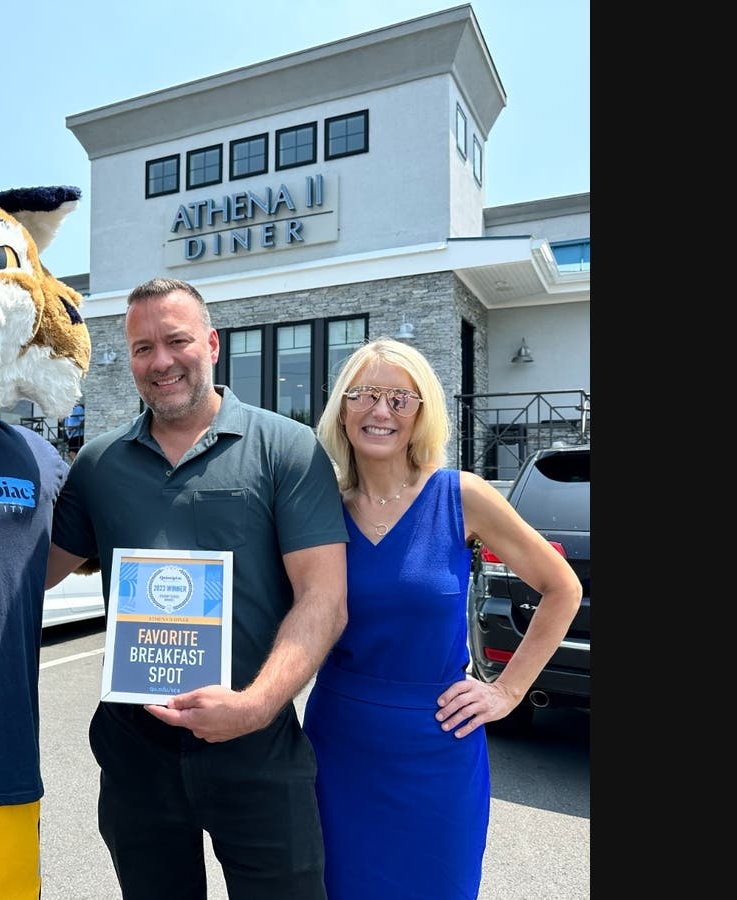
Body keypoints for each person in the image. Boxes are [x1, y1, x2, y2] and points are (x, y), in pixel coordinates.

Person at [45, 277, 349, 900]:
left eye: (176, 340)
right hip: (137, 749)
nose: (160, 361)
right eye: (141, 347)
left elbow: (325, 599)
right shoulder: (99, 466)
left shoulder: (285, 448)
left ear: (211, 343)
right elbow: (29, 572)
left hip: (257, 742)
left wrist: (257, 705)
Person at [301, 337, 581, 899]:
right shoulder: (316, 505)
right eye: (365, 395)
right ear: (342, 407)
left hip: (439, 744)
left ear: (421, 412)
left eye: (400, 399)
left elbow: (561, 587)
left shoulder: (462, 497)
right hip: (339, 747)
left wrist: (508, 691)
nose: (381, 411)